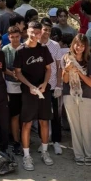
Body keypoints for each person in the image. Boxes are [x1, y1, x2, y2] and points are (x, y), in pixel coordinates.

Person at [14, 21, 55, 171]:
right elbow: (17, 72)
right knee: (27, 123)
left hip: (43, 90)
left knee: (44, 121)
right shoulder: (20, 50)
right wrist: (29, 85)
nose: (34, 35)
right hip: (28, 92)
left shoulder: (43, 50)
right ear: (27, 31)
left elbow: (49, 69)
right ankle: (26, 155)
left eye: (37, 33)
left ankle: (44, 152)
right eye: (32, 32)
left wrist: (44, 84)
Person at [62, 34, 91, 165]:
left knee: (86, 126)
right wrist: (67, 69)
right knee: (74, 125)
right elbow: (64, 80)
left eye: (82, 45)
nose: (79, 48)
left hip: (86, 95)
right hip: (69, 94)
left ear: (85, 47)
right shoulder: (66, 58)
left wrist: (79, 72)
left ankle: (89, 153)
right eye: (77, 44)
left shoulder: (89, 60)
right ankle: (78, 154)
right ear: (73, 44)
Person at [40, 19, 64, 155]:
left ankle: (56, 142)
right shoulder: (36, 44)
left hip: (53, 84)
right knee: (41, 115)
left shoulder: (55, 45)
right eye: (45, 29)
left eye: (49, 30)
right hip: (40, 85)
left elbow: (59, 66)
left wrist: (59, 84)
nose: (47, 32)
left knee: (56, 115)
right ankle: (43, 141)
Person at [3, 26, 24, 155]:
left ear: (20, 36)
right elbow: (3, 67)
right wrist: (13, 74)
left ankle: (23, 138)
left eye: (17, 36)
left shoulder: (25, 48)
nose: (15, 39)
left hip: (25, 85)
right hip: (11, 84)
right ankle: (16, 141)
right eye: (12, 37)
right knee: (14, 114)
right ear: (8, 37)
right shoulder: (5, 50)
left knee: (24, 114)